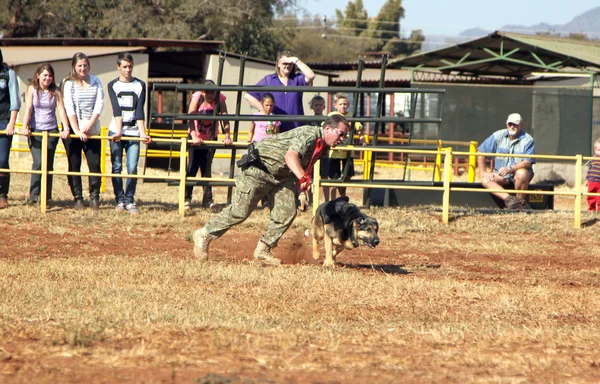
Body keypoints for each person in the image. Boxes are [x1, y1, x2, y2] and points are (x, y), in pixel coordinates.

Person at [192, 114, 350, 265]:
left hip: (281, 176)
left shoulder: (323, 148)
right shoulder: (310, 134)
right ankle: (204, 234)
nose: (342, 140)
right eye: (340, 134)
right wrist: (303, 178)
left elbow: (301, 166)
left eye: (344, 136)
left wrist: (301, 192)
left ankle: (263, 250)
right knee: (240, 211)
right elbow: (291, 156)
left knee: (287, 212)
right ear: (328, 128)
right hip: (258, 169)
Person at [107, 53, 151, 214]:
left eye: (130, 66)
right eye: (124, 67)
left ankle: (130, 200)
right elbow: (116, 110)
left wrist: (142, 133)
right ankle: (119, 199)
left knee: (132, 167)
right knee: (116, 166)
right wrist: (118, 131)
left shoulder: (140, 85)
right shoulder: (113, 85)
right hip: (116, 131)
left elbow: (140, 111)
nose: (128, 70)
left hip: (133, 132)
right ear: (118, 67)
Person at [21, 63, 71, 204]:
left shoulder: (55, 91)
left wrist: (65, 128)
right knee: (38, 163)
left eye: (50, 76)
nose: (47, 78)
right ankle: (34, 196)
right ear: (38, 75)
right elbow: (29, 109)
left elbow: (61, 110)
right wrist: (25, 127)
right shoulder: (32, 89)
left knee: (48, 164)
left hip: (51, 131)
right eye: (45, 75)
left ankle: (46, 197)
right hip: (36, 130)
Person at [62, 52, 104, 210]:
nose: (82, 68)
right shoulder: (69, 83)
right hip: (74, 130)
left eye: (85, 65)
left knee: (95, 164)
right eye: (79, 65)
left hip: (92, 129)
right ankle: (78, 198)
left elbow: (99, 104)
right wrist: (77, 130)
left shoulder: (96, 81)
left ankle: (94, 198)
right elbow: (69, 107)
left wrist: (89, 125)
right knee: (74, 164)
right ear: (74, 66)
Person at [185, 79, 232, 210]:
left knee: (206, 168)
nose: (210, 95)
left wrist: (227, 135)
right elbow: (190, 116)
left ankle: (207, 199)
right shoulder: (197, 97)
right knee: (192, 167)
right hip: (196, 136)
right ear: (202, 92)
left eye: (213, 92)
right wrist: (193, 135)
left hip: (211, 137)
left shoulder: (220, 99)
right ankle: (187, 198)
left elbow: (225, 118)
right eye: (207, 92)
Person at [244, 51, 314, 133]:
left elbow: (311, 75)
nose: (287, 65)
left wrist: (295, 60)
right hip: (276, 130)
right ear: (278, 64)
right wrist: (264, 110)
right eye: (285, 63)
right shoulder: (269, 80)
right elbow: (248, 96)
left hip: (296, 129)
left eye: (290, 63)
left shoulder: (297, 79)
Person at [477, 113, 535, 210]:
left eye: (515, 124)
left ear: (521, 125)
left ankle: (520, 201)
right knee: (485, 180)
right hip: (501, 175)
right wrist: (483, 173)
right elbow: (480, 152)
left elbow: (527, 162)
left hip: (518, 174)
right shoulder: (497, 135)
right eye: (510, 124)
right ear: (506, 124)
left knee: (522, 173)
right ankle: (511, 201)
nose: (512, 126)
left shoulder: (528, 140)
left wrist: (510, 169)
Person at [327, 93, 366, 199]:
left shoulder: (351, 116)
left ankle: (342, 196)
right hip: (336, 150)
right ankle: (332, 200)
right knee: (333, 177)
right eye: (341, 104)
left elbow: (359, 128)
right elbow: (325, 127)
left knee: (348, 174)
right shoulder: (332, 115)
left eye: (345, 104)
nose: (343, 106)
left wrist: (362, 139)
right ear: (335, 105)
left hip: (348, 150)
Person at [0, 49, 21, 209]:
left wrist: (11, 123)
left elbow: (15, 101)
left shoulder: (9, 74)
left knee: (2, 159)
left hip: (4, 120)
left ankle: (3, 195)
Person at [306, 95, 329, 203]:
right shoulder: (309, 121)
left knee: (324, 177)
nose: (318, 107)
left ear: (324, 106)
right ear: (312, 107)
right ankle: (311, 199)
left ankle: (327, 200)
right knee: (310, 177)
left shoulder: (327, 121)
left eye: (320, 105)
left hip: (324, 153)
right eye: (316, 105)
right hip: (312, 154)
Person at [585, 138, 600, 211]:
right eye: (599, 150)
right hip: (592, 182)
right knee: (591, 196)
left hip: (599, 182)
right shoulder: (593, 160)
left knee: (599, 197)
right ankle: (591, 209)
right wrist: (587, 180)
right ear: (595, 150)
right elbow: (589, 170)